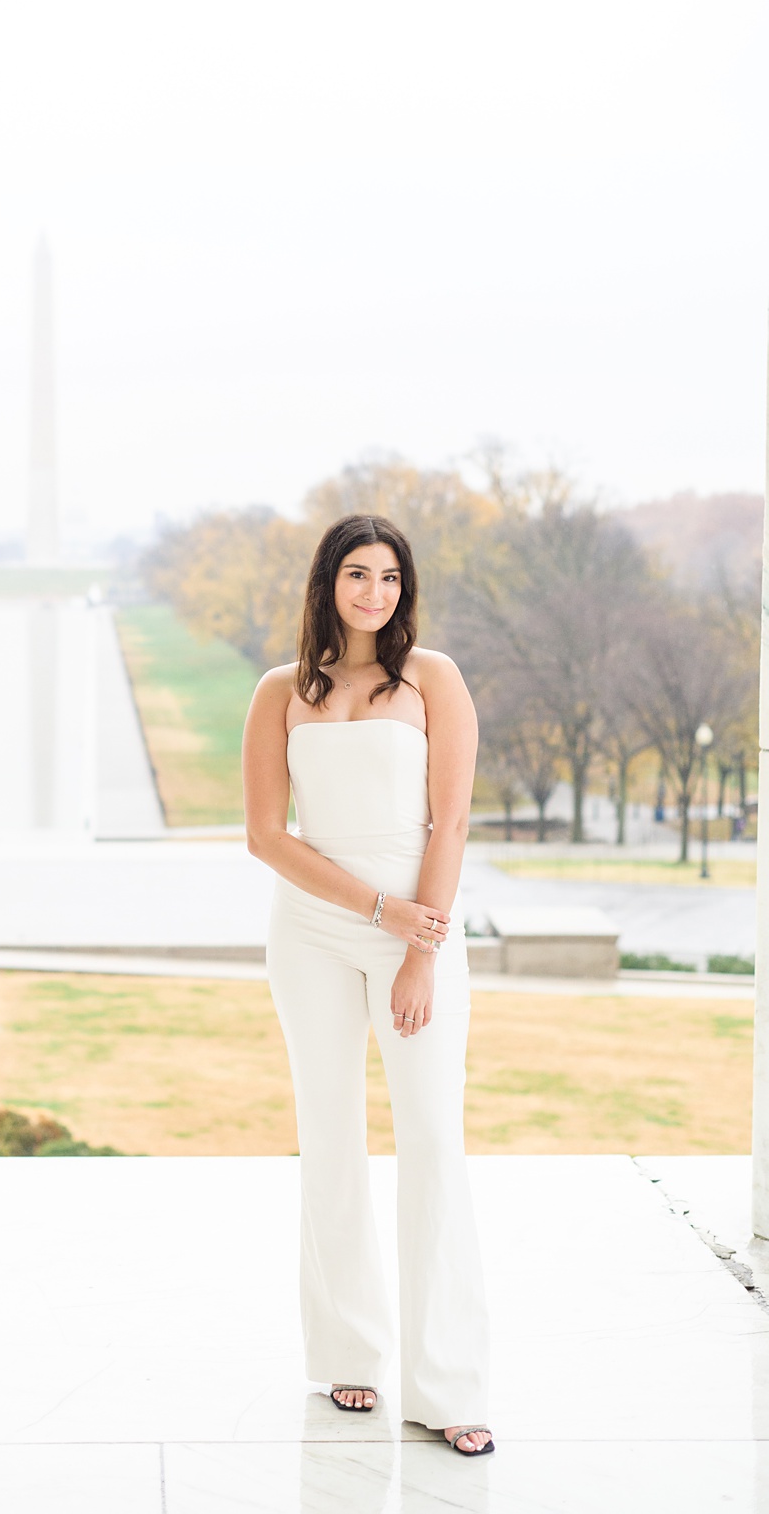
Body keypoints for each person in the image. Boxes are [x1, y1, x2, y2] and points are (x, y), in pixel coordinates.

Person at [241, 512, 494, 1457]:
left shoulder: (435, 679)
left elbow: (453, 823)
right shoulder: (280, 690)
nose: (373, 593)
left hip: (414, 926)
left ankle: (451, 1383)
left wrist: (418, 944)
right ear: (327, 583)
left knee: (431, 1136)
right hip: (310, 928)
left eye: (389, 577)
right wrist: (370, 911)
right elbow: (268, 836)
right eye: (356, 574)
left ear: (405, 588)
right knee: (329, 1133)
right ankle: (349, 1348)